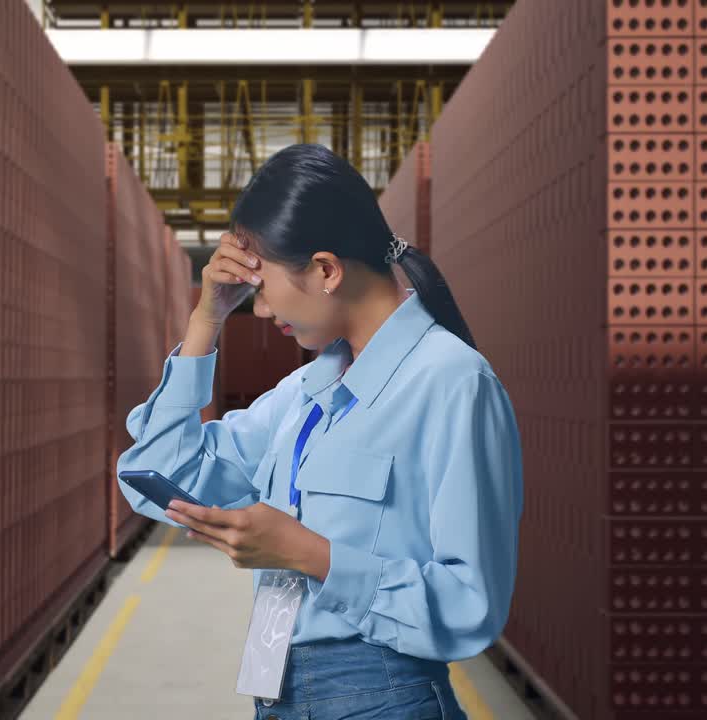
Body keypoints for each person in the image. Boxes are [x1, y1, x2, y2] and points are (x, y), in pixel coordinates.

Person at [116, 143, 523, 720]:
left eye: (261, 288)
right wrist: (206, 319)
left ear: (326, 270)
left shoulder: (452, 382)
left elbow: (470, 603)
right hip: (279, 688)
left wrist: (308, 553)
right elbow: (157, 474)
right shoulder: (308, 391)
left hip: (380, 694)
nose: (258, 311)